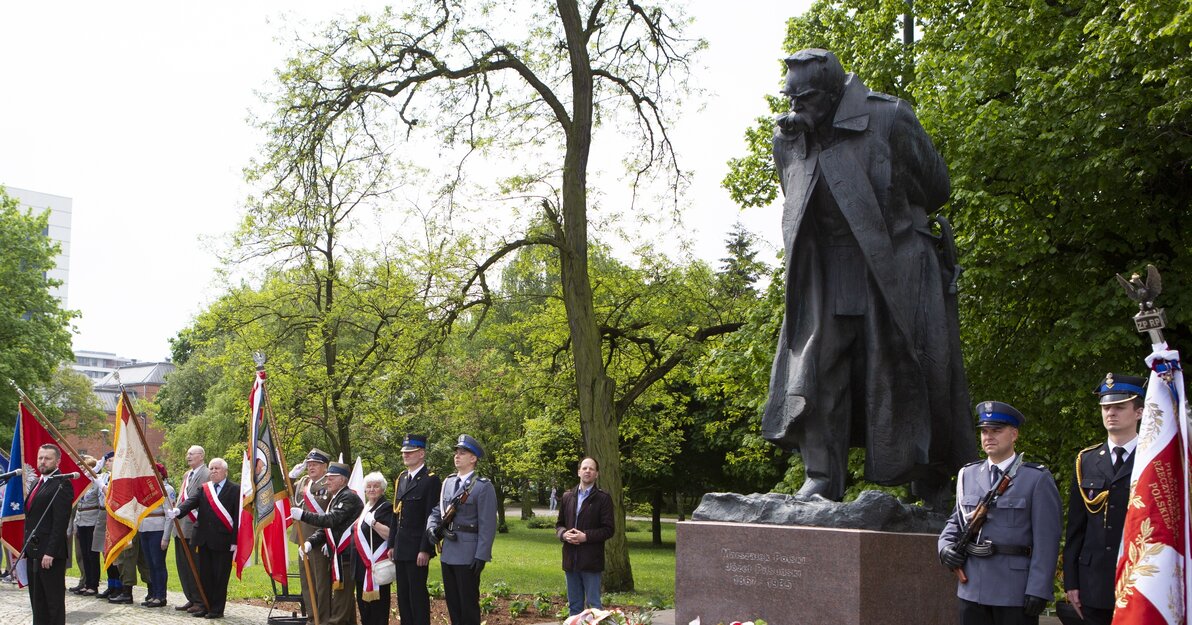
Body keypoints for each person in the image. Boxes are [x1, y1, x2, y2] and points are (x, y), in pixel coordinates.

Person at [762, 48, 974, 504]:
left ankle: (933, 478)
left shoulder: (890, 118)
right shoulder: (788, 140)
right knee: (816, 371)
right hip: (826, 270)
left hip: (893, 266)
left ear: (836, 91)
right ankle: (821, 476)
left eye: (808, 98)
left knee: (909, 366)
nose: (797, 107)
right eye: (791, 97)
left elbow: (937, 186)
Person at [938, 402, 1062, 625]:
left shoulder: (1036, 479)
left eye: (996, 430)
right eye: (985, 431)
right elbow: (956, 521)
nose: (989, 437)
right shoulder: (968, 474)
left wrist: (1039, 588)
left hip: (1014, 590)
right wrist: (944, 547)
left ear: (1014, 434)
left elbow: (1047, 540)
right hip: (972, 587)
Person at [1063, 373, 1145, 624]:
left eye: (1120, 407)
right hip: (1093, 582)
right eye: (1106, 407)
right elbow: (1076, 529)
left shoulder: (1152, 458)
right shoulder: (1086, 460)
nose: (1111, 413)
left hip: (1140, 579)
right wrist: (1072, 582)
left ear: (1139, 412)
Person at [427, 434, 497, 625]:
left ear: (473, 458)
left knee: (468, 605)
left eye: (462, 453)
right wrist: (432, 527)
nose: (457, 456)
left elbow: (488, 524)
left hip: (468, 553)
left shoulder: (483, 487)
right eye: (456, 453)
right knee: (453, 604)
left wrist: (482, 555)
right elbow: (437, 510)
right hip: (448, 551)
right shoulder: (448, 482)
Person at [292, 461, 364, 625]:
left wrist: (303, 515)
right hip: (339, 555)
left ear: (343, 480)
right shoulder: (338, 496)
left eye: (331, 478)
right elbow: (327, 528)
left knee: (341, 601)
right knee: (343, 600)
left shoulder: (348, 497)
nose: (327, 481)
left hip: (347, 554)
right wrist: (311, 541)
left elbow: (331, 520)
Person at [170, 457, 239, 619]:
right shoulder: (204, 488)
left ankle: (217, 609)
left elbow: (238, 518)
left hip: (223, 542)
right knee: (205, 576)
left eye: (217, 469)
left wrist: (235, 541)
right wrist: (178, 511)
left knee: (220, 576)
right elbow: (191, 502)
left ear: (225, 472)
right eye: (212, 468)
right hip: (203, 540)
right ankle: (206, 606)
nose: (213, 471)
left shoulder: (235, 489)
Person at [388, 434, 440, 625]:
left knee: (417, 595)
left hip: (417, 548)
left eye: (410, 452)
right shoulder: (401, 478)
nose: (405, 455)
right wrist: (391, 543)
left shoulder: (430, 480)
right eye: (404, 452)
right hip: (401, 547)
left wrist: (425, 548)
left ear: (421, 454)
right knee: (403, 595)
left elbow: (430, 516)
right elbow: (396, 514)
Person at [555, 457, 614, 616]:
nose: (588, 471)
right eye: (585, 468)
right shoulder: (567, 497)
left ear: (597, 474)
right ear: (579, 472)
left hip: (591, 561)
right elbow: (559, 524)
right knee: (574, 607)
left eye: (591, 469)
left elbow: (608, 529)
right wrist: (563, 534)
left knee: (594, 607)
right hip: (570, 560)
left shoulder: (603, 498)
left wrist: (585, 537)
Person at [24, 443, 72, 625]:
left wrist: (50, 552)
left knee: (53, 601)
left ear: (57, 461)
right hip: (33, 551)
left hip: (50, 555)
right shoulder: (37, 482)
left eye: (47, 458)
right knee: (37, 601)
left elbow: (60, 523)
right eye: (40, 458)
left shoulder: (62, 484)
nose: (43, 462)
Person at [291, 448, 333, 625]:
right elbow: (285, 489)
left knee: (321, 583)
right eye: (309, 464)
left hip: (319, 538)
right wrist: (292, 476)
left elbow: (332, 511)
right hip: (302, 538)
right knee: (306, 582)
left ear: (325, 466)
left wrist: (329, 536)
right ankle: (311, 616)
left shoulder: (329, 483)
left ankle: (322, 619)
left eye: (315, 464)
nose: (311, 467)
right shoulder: (302, 482)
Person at [353, 471, 395, 625]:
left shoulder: (386, 507)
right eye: (369, 486)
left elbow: (391, 534)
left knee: (378, 610)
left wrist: (374, 523)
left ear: (382, 489)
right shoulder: (366, 507)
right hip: (362, 566)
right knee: (364, 608)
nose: (371, 489)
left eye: (376, 486)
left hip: (377, 566)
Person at [175, 445, 210, 613]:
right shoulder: (186, 475)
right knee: (184, 566)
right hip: (181, 526)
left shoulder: (207, 474)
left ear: (201, 456)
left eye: (192, 453)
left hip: (195, 527)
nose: (188, 456)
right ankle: (190, 597)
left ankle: (200, 599)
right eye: (187, 453)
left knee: (195, 565)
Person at [138, 462, 175, 608]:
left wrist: (165, 537)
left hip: (158, 530)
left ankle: (161, 596)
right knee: (150, 564)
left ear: (161, 473)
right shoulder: (145, 489)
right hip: (144, 529)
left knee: (158, 563)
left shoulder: (167, 489)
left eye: (154, 471)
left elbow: (169, 515)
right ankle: (153, 594)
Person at [71, 455, 101, 596]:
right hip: (81, 520)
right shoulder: (81, 483)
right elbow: (78, 505)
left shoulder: (96, 483)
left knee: (92, 554)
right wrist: (76, 524)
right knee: (83, 553)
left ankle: (93, 585)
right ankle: (87, 583)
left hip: (92, 521)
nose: (82, 470)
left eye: (84, 467)